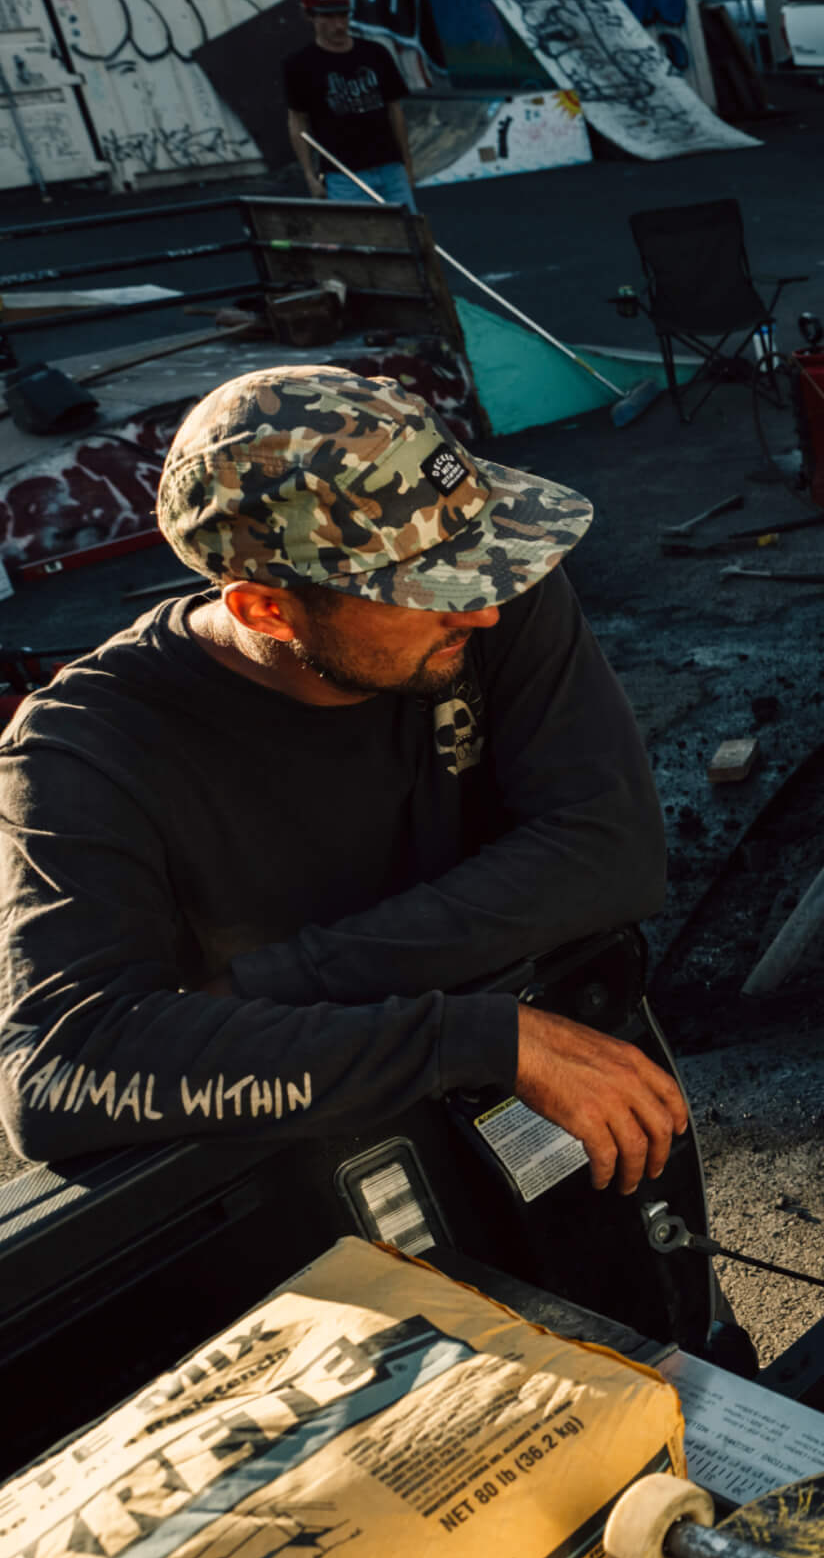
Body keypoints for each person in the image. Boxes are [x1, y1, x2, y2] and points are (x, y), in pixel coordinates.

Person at [0, 364, 688, 1190]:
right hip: (310, 1178)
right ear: (266, 609)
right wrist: (467, 1036)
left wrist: (269, 990)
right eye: (427, 584)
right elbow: (57, 1074)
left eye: (477, 554)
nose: (483, 608)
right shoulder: (85, 752)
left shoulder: (486, 584)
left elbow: (611, 851)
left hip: (570, 1095)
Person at [283, 0, 420, 210]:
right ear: (310, 16)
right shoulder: (299, 65)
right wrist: (309, 175)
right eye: (327, 17)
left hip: (390, 167)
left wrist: (407, 164)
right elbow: (298, 121)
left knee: (410, 235)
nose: (338, 25)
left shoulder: (376, 53)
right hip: (343, 174)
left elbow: (394, 111)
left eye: (343, 15)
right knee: (363, 240)